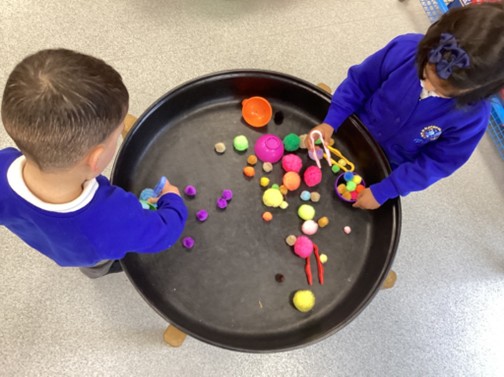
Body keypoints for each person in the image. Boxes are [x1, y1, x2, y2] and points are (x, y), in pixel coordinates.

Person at [0, 49, 188, 278]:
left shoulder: (3, 163)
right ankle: (101, 269)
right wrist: (172, 201)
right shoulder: (113, 216)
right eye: (117, 133)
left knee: (73, 250)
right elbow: (164, 233)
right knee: (100, 261)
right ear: (97, 159)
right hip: (91, 250)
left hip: (54, 245)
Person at [306, 3, 504, 210]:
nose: (427, 87)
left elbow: (436, 163)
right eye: (425, 75)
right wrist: (331, 121)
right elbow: (359, 83)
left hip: (386, 167)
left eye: (442, 91)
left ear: (477, 90)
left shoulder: (473, 117)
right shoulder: (405, 49)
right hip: (349, 129)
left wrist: (386, 189)